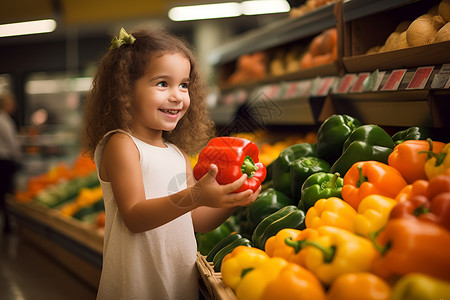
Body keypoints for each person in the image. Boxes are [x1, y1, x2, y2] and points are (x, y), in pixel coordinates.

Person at [81, 28, 261, 300]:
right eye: (163, 83)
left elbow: (196, 220)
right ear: (124, 93)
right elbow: (135, 216)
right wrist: (199, 194)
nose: (177, 96)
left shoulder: (177, 154)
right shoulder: (121, 145)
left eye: (184, 85)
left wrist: (232, 200)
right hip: (134, 288)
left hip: (177, 286)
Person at [0, 90, 21, 234]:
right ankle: (8, 224)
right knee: (6, 192)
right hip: (5, 161)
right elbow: (13, 143)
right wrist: (19, 159)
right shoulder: (5, 120)